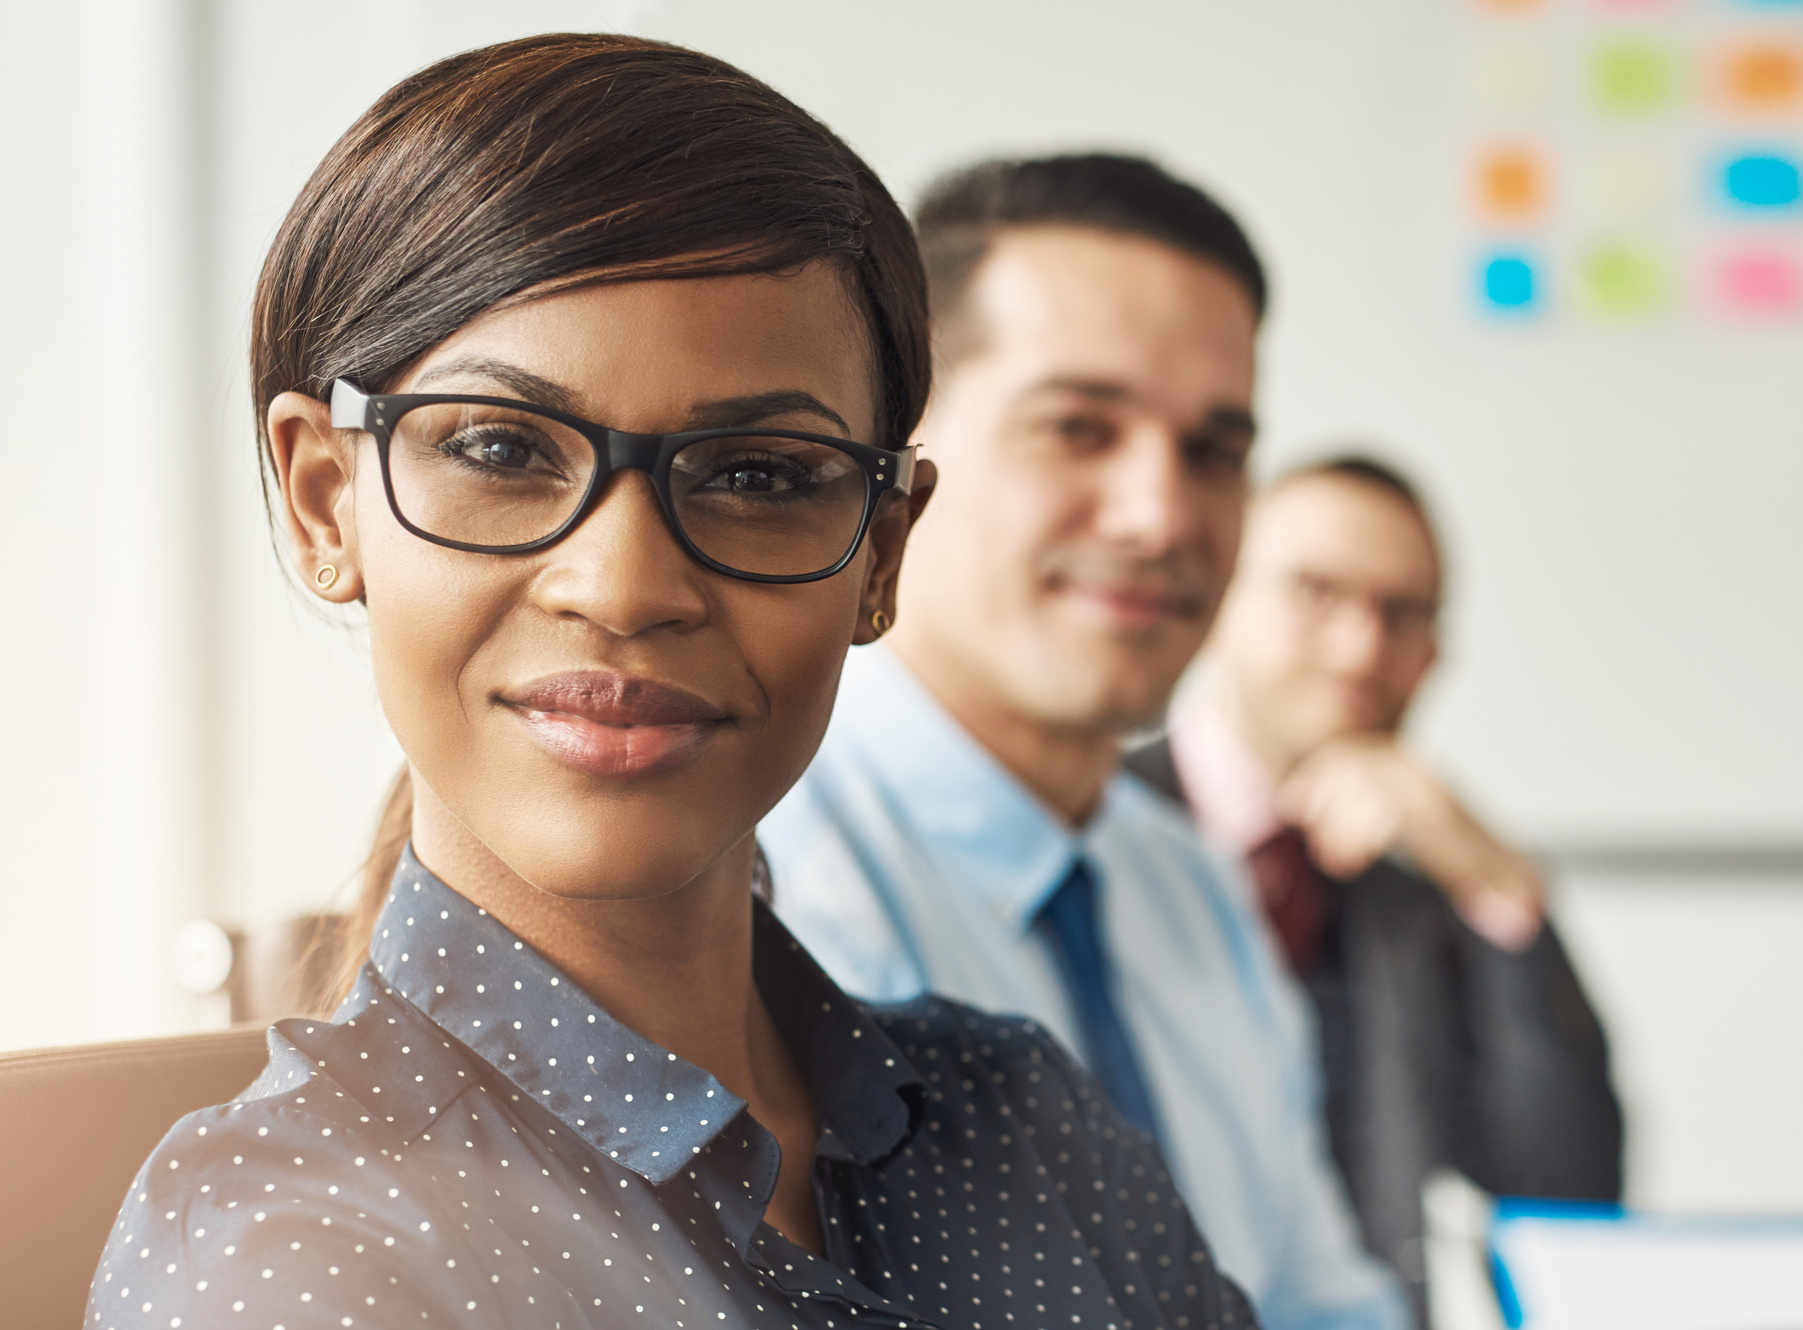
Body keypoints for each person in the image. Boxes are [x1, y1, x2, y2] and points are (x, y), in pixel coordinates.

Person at [89, 37, 1254, 1330]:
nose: (625, 583)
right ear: (326, 500)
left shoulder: (1027, 1120)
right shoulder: (286, 1257)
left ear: (881, 555)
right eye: (499, 447)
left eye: (757, 473)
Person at [762, 156, 1408, 1330]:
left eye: (1214, 451)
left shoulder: (1188, 884)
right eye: (1077, 427)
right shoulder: (767, 871)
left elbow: (1325, 1302)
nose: (1161, 514)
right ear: (897, 455)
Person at [1127, 456, 1624, 1321]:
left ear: (1434, 653)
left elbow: (1570, 1194)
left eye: (1403, 614)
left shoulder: (1430, 897)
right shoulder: (1089, 825)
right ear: (1219, 599)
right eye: (1316, 593)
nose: (1361, 649)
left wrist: (1500, 889)